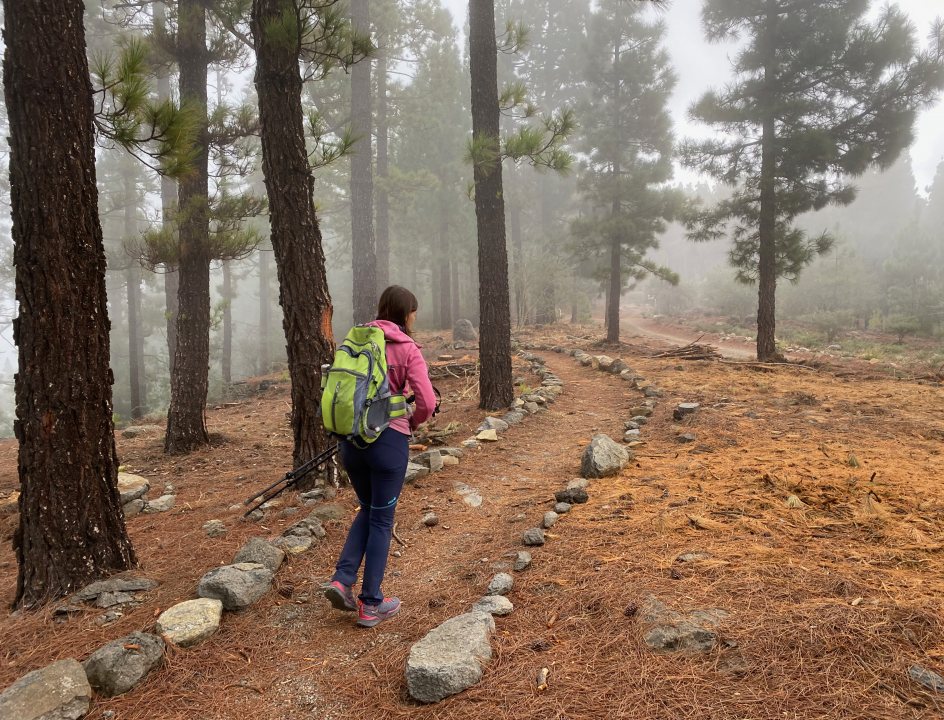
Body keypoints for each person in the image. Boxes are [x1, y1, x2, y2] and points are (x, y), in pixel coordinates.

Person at [323, 286, 436, 627]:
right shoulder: (406, 348)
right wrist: (410, 423)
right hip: (388, 446)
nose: (414, 318)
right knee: (382, 520)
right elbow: (427, 402)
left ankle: (342, 580)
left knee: (368, 508)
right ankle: (371, 604)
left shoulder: (355, 341)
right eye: (413, 313)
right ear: (405, 314)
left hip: (351, 445)